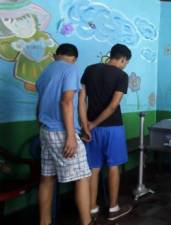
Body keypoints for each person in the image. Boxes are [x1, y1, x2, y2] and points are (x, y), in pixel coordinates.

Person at [36, 43, 92, 225]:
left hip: (45, 131)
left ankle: (44, 222)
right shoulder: (71, 69)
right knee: (83, 177)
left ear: (55, 55)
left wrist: (42, 126)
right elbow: (66, 102)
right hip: (62, 131)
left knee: (47, 178)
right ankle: (87, 222)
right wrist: (70, 136)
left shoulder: (45, 72)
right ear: (74, 58)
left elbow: (40, 103)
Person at [79, 43, 132, 221]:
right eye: (126, 62)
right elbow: (112, 107)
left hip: (90, 128)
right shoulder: (122, 75)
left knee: (93, 168)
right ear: (123, 59)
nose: (125, 65)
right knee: (113, 167)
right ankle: (113, 208)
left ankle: (92, 208)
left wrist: (85, 124)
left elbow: (81, 98)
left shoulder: (90, 69)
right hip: (113, 128)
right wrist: (92, 124)